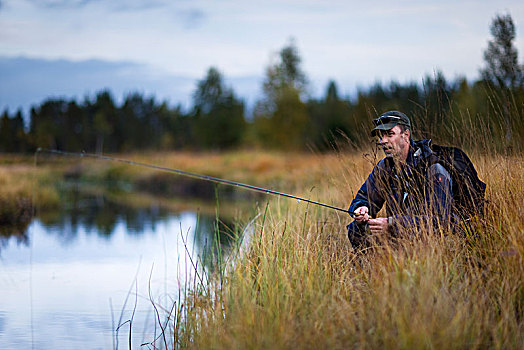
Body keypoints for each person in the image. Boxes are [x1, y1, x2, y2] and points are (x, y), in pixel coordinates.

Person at [347, 111, 456, 248]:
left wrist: (392, 223)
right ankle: (374, 268)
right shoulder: (385, 168)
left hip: (437, 242)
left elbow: (439, 222)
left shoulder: (433, 169)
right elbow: (364, 197)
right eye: (381, 136)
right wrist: (362, 209)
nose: (383, 141)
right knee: (357, 229)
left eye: (390, 134)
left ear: (406, 135)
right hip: (400, 234)